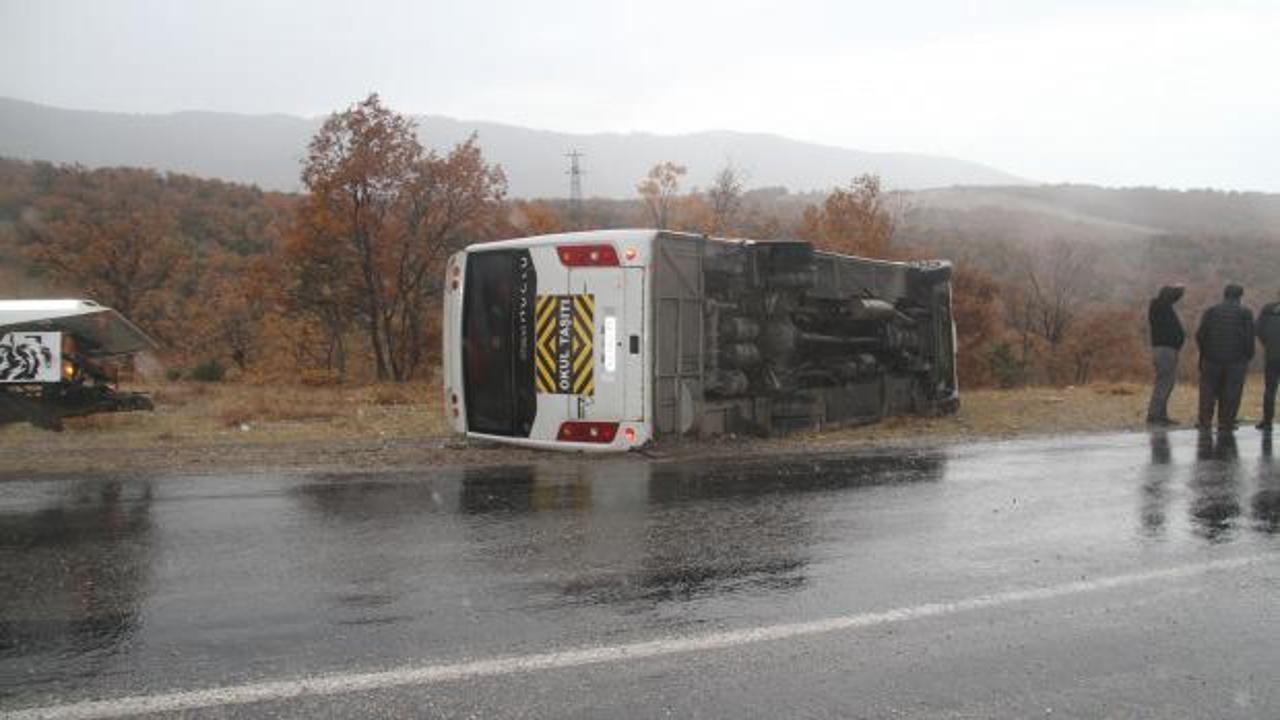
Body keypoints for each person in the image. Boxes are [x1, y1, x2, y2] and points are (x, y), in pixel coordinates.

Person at [1195, 284, 1254, 431]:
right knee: (1232, 391)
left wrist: (1205, 352)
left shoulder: (1211, 311)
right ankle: (1226, 422)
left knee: (1208, 391)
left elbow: (1200, 335)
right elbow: (1249, 338)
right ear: (1240, 296)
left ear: (1224, 294)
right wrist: (1247, 355)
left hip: (1211, 359)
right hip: (1236, 360)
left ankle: (1205, 421)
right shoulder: (1245, 313)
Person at [1146, 285, 1186, 425]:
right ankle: (1154, 415)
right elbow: (1173, 295)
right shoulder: (1160, 306)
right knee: (1164, 383)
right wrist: (1180, 289)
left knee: (1166, 383)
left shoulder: (1161, 307)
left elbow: (1172, 297)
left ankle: (1160, 414)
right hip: (1165, 351)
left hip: (1167, 350)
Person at [1256, 290, 1280, 431]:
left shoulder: (1267, 309)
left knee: (1270, 389)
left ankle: (1267, 421)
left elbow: (1258, 329)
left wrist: (1267, 344)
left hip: (1272, 355)